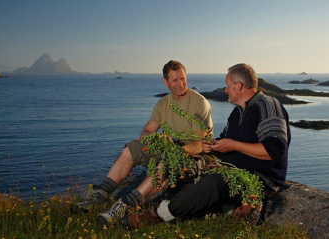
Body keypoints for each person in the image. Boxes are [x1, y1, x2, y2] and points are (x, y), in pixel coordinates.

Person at [122, 63, 291, 229]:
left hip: (259, 178)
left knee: (213, 182)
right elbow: (224, 141)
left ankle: (155, 216)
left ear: (239, 86)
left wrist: (232, 145)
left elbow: (274, 151)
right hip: (230, 170)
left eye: (227, 85)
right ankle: (233, 210)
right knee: (188, 173)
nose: (224, 90)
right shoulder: (237, 112)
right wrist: (212, 147)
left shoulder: (268, 106)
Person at [70, 60, 213, 225]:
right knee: (133, 147)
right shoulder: (162, 104)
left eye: (182, 78)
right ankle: (100, 195)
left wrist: (180, 151)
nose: (180, 84)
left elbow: (200, 142)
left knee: (167, 161)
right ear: (166, 82)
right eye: (175, 80)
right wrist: (156, 139)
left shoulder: (199, 102)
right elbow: (146, 132)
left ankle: (125, 205)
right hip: (169, 148)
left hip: (196, 155)